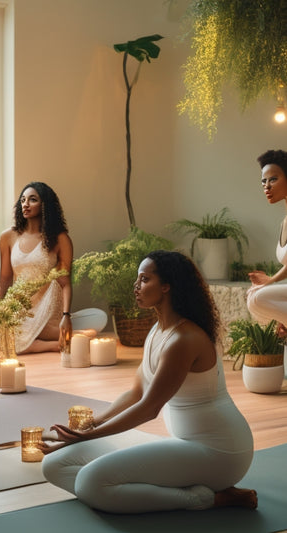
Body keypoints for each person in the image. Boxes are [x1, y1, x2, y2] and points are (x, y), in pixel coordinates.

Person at [40, 250, 257, 514]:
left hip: (219, 452)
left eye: (144, 279)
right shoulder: (157, 330)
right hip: (181, 444)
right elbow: (136, 392)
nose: (136, 286)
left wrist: (87, 436)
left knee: (89, 481)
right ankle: (139, 492)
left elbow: (149, 408)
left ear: (166, 286)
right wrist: (92, 423)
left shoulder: (184, 340)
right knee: (53, 464)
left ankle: (206, 498)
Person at [0, 181, 107, 363]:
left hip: (47, 304)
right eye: (23, 200)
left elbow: (64, 282)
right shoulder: (8, 236)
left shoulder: (59, 239)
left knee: (8, 332)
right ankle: (59, 340)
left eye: (32, 200)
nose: (25, 204)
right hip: (20, 305)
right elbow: (6, 279)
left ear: (44, 205)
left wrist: (66, 316)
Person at [247, 149, 287, 328]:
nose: (267, 186)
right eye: (264, 181)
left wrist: (270, 280)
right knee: (254, 295)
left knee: (258, 297)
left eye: (273, 179)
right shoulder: (284, 222)